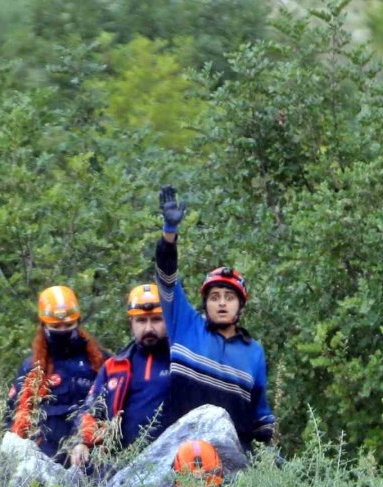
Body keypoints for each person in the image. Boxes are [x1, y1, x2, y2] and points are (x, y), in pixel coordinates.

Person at [154, 185, 276, 449]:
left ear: (240, 306)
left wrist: (269, 455)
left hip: (232, 463)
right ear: (205, 303)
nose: (222, 303)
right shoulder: (184, 324)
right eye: (214, 297)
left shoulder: (254, 352)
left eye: (229, 297)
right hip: (178, 454)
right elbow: (165, 276)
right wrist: (169, 232)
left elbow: (261, 414)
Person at [4, 285, 108, 466]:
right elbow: (13, 418)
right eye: (55, 326)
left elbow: (114, 407)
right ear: (43, 325)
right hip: (44, 460)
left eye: (68, 325)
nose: (62, 330)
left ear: (78, 322)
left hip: (91, 457)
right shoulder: (32, 367)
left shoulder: (100, 362)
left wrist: (88, 441)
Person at [70, 283, 172, 467]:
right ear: (131, 323)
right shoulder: (114, 367)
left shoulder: (183, 362)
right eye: (141, 321)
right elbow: (91, 411)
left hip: (174, 461)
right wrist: (82, 443)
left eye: (156, 319)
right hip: (123, 467)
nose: (149, 328)